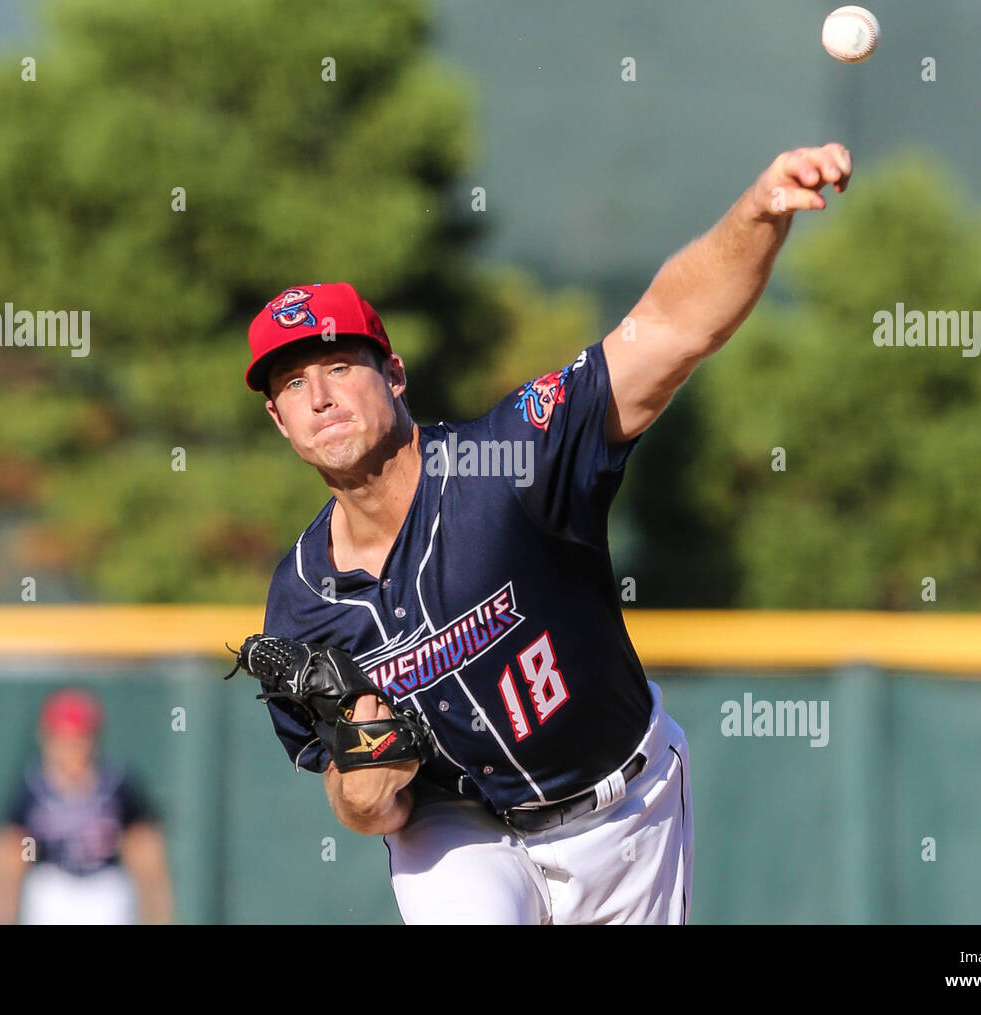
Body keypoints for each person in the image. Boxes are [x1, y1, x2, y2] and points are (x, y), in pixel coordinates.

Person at [246, 144, 852, 924]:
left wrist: (760, 211)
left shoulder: (506, 466)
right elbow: (361, 801)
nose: (319, 397)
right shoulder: (300, 601)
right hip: (459, 827)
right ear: (277, 418)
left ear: (393, 374)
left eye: (338, 365)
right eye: (292, 383)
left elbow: (667, 330)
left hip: (626, 810)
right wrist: (363, 781)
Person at [0, 688, 173, 924]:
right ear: (47, 738)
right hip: (52, 893)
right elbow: (7, 861)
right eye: (63, 738)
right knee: (45, 888)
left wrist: (158, 913)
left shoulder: (118, 785)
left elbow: (146, 855)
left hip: (105, 893)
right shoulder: (31, 789)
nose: (71, 748)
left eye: (78, 738)